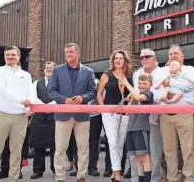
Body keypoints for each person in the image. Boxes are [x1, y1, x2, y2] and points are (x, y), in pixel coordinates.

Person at [48, 42, 97, 182]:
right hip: (63, 114)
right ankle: (60, 177)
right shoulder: (57, 71)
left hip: (82, 115)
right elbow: (51, 91)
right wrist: (64, 100)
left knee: (83, 148)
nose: (69, 54)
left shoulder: (88, 71)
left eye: (71, 52)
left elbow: (93, 91)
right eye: (67, 52)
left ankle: (81, 176)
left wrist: (83, 98)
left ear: (78, 53)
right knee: (60, 148)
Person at [0, 45, 35, 182]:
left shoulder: (26, 75)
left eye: (13, 55)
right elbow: (2, 89)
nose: (10, 57)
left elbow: (30, 92)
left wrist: (30, 107)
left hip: (20, 116)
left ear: (19, 57)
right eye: (7, 55)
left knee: (16, 150)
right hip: (2, 114)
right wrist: (21, 100)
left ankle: (13, 179)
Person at [157, 44, 194, 182]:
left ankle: (189, 178)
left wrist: (168, 85)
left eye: (176, 53)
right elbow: (155, 91)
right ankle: (172, 178)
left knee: (188, 150)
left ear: (182, 56)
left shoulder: (189, 69)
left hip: (184, 114)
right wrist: (165, 89)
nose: (173, 56)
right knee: (169, 151)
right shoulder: (162, 71)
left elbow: (190, 85)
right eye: (170, 54)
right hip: (165, 116)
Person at [97, 50, 133, 182]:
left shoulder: (129, 75)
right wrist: (103, 109)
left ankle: (114, 170)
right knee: (112, 143)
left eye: (121, 58)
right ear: (113, 61)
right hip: (109, 114)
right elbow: (99, 94)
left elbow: (133, 94)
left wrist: (130, 103)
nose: (118, 60)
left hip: (125, 114)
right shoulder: (106, 75)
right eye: (116, 58)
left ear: (125, 61)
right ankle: (117, 173)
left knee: (120, 143)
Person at [130, 48, 162, 182]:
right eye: (141, 58)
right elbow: (135, 95)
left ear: (154, 58)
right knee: (136, 155)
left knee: (153, 153)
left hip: (156, 118)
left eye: (146, 57)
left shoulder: (163, 72)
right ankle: (136, 179)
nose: (143, 60)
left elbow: (162, 93)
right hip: (136, 120)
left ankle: (153, 180)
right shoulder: (137, 73)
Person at [122, 73, 154, 182]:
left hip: (141, 128)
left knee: (145, 157)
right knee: (137, 158)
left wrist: (127, 84)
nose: (142, 85)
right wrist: (130, 99)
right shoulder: (135, 95)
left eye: (145, 83)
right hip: (131, 128)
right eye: (140, 83)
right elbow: (127, 112)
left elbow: (141, 97)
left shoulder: (148, 94)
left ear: (150, 84)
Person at [29, 61, 57, 179]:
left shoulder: (59, 83)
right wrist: (43, 107)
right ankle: (38, 170)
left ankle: (56, 168)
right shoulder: (36, 83)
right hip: (39, 117)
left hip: (54, 117)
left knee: (55, 146)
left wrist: (51, 106)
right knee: (38, 145)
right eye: (47, 68)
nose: (49, 69)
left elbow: (60, 97)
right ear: (44, 70)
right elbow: (32, 97)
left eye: (51, 68)